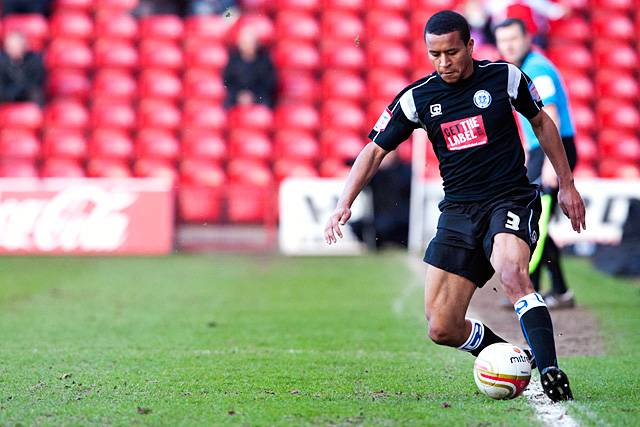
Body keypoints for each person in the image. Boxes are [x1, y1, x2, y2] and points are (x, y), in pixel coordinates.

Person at [324, 10, 585, 402]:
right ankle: (515, 357)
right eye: (435, 54)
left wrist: (566, 183)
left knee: (512, 271)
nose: (444, 62)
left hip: (509, 198)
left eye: (452, 52)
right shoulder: (418, 98)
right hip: (460, 212)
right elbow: (374, 150)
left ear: (470, 46)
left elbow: (543, 124)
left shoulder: (505, 77)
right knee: (442, 327)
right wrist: (344, 203)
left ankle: (549, 368)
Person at [495, 18, 577, 309]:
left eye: (514, 39)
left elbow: (549, 116)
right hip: (541, 152)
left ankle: (528, 289)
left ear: (528, 38)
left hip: (554, 152)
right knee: (536, 221)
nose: (509, 45)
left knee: (536, 223)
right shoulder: (521, 70)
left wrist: (551, 165)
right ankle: (561, 291)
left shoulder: (537, 70)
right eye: (503, 41)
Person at [222, 27, 276, 109]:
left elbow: (269, 83)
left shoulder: (265, 60)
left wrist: (252, 95)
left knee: (265, 106)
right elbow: (228, 80)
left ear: (257, 44)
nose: (248, 46)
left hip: (258, 95)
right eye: (245, 43)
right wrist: (239, 95)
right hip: (237, 95)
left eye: (251, 43)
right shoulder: (233, 59)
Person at [0, 31, 46, 106]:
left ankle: (36, 116)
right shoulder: (1, 61)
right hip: (6, 94)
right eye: (11, 47)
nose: (14, 49)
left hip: (27, 93)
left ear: (25, 46)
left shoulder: (35, 60)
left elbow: (36, 82)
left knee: (36, 94)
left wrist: (19, 90)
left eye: (17, 46)